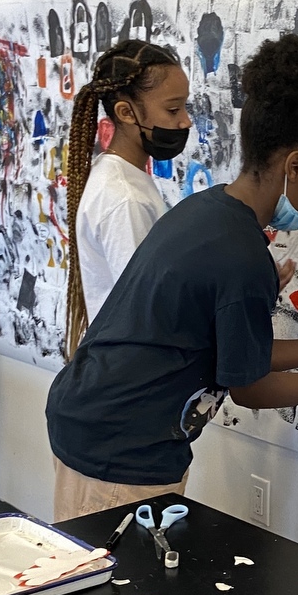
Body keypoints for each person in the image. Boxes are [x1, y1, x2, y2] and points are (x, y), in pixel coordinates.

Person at [46, 34, 298, 520]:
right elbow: (250, 387)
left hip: (102, 423)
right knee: (117, 587)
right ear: (295, 166)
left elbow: (240, 357)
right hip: (119, 448)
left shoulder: (213, 212)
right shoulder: (240, 254)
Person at [64, 40, 190, 357]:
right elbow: (148, 310)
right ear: (126, 113)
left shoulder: (124, 179)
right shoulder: (124, 198)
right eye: (173, 110)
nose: (185, 121)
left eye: (185, 108)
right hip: (134, 382)